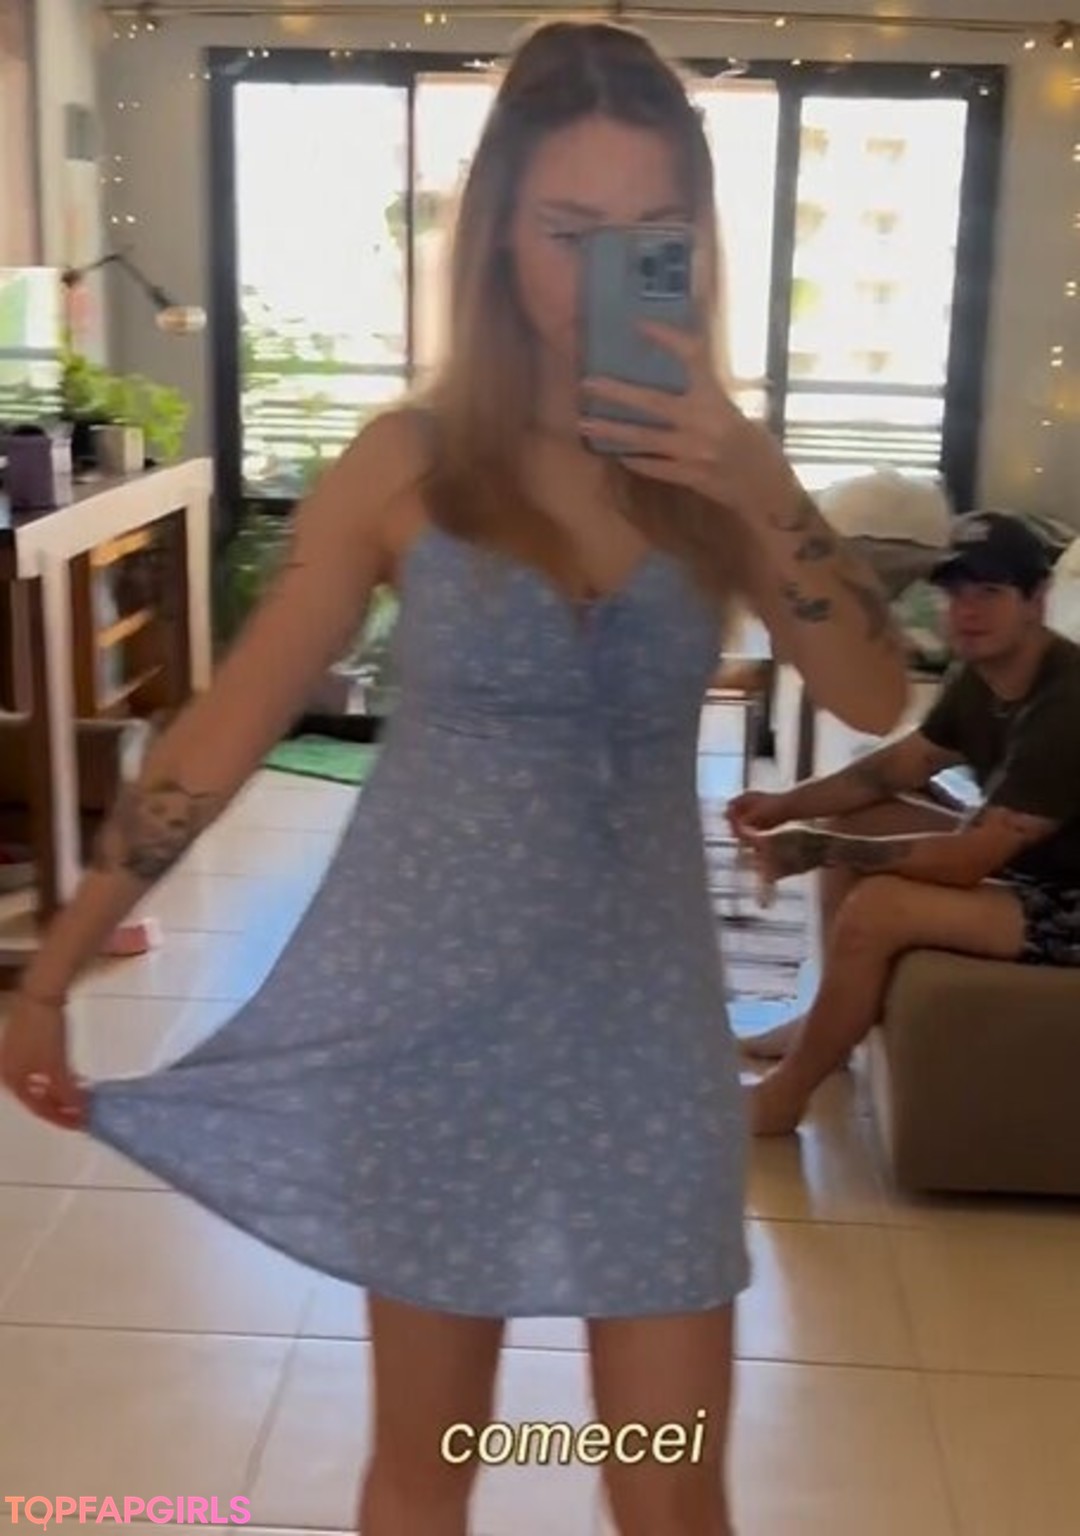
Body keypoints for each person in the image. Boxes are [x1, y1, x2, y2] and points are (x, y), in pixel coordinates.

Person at [0, 22, 905, 1536]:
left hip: (644, 1027)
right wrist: (53, 968)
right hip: (428, 1019)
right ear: (495, 235)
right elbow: (228, 723)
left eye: (652, 233)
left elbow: (873, 693)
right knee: (429, 1469)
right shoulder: (405, 462)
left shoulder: (718, 472)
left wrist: (755, 476)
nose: (605, 269)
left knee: (669, 1486)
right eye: (569, 230)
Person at [730, 510, 1080, 1138]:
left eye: (991, 591)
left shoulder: (1068, 703)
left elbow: (971, 860)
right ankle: (823, 1020)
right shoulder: (979, 675)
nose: (968, 610)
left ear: (1037, 600)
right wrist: (784, 806)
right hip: (1038, 870)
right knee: (859, 814)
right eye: (956, 592)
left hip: (1070, 902)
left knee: (879, 908)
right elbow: (892, 770)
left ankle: (785, 1098)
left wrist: (819, 848)